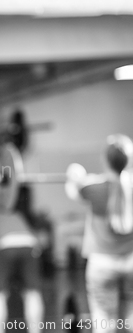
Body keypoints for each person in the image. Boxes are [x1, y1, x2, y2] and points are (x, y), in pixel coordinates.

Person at [66, 134, 133, 333]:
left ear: (105, 160)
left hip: (102, 265)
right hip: (131, 263)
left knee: (104, 323)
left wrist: (75, 174)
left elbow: (72, 189)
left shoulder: (92, 187)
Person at [0, 184, 45, 333]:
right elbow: (39, 241)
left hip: (6, 247)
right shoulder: (17, 215)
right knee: (33, 292)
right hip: (29, 246)